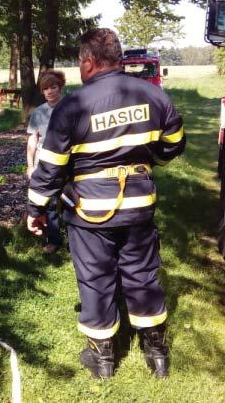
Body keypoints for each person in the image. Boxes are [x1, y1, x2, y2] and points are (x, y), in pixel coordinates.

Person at [26, 28, 186, 379]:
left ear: (89, 61)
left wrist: (35, 209)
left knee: (96, 280)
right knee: (142, 276)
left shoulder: (72, 106)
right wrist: (146, 161)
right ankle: (157, 354)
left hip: (88, 213)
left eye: (80, 62)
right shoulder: (153, 95)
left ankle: (102, 360)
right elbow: (174, 143)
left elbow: (50, 165)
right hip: (140, 206)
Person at [26, 70, 67, 254]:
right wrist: (30, 165)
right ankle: (54, 239)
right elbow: (33, 140)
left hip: (68, 162)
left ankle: (77, 239)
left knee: (70, 200)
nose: (50, 91)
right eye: (45, 88)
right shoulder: (38, 113)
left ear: (60, 87)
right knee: (49, 203)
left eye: (53, 87)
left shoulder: (70, 107)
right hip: (44, 165)